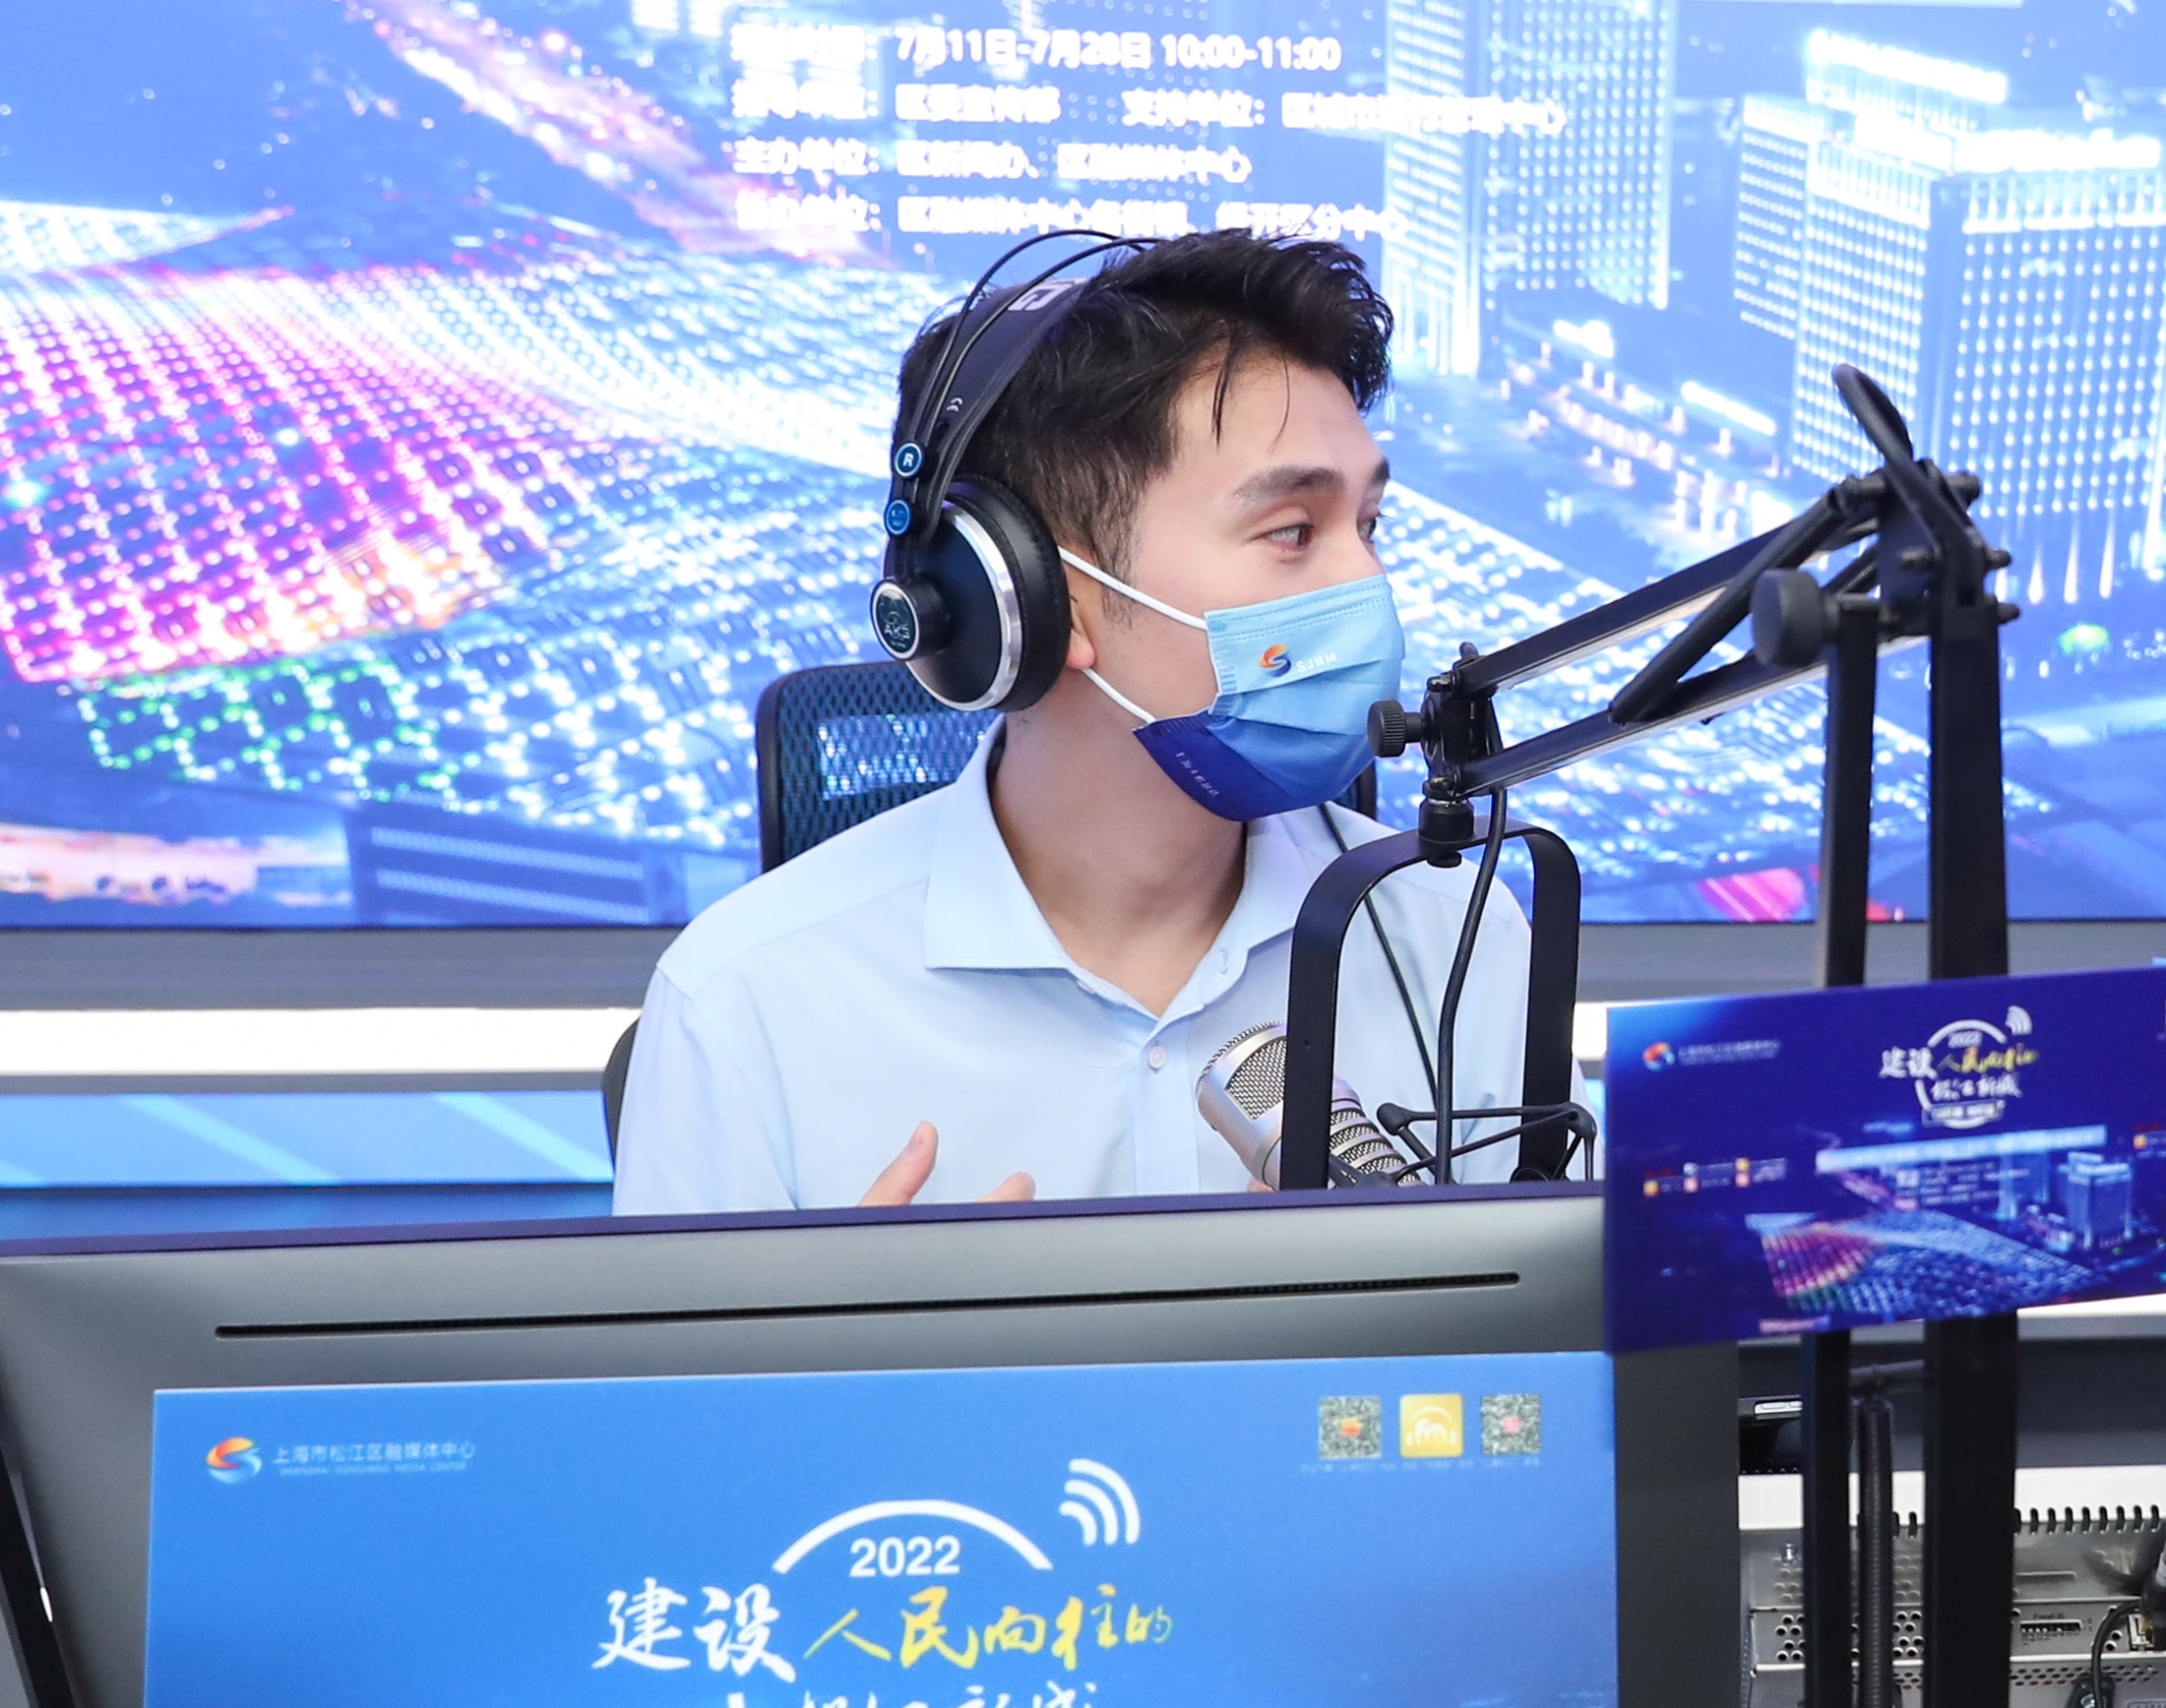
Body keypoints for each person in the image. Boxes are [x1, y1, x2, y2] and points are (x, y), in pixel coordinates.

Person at [610, 233, 1524, 1217]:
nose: (1367, 582)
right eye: (1293, 531)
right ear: (1041, 593)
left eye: (1369, 525)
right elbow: (694, 1334)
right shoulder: (745, 1000)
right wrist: (841, 1319)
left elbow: (1550, 1313)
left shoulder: (1451, 935)